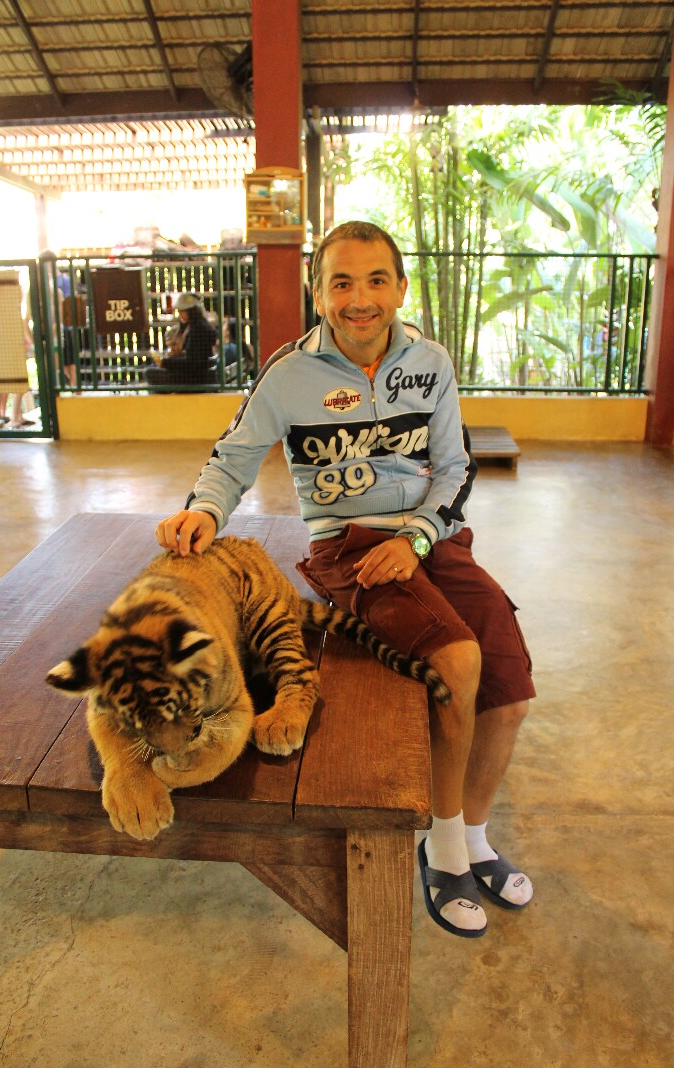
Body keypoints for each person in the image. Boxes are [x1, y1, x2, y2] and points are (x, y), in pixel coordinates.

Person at [155, 221, 536, 940]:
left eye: (376, 280)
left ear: (400, 288)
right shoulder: (289, 373)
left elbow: (455, 469)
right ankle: (441, 847)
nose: (360, 299)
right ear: (318, 292)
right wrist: (202, 510)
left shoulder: (431, 362)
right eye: (342, 283)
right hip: (347, 546)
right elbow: (232, 459)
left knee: (510, 694)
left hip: (431, 539)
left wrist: (417, 538)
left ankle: (473, 835)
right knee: (458, 663)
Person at [145, 292, 218, 387]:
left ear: (191, 311)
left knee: (149, 373)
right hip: (198, 374)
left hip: (195, 378)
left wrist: (165, 363)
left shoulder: (198, 329)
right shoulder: (198, 326)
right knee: (153, 368)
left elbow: (192, 363)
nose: (180, 314)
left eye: (182, 311)